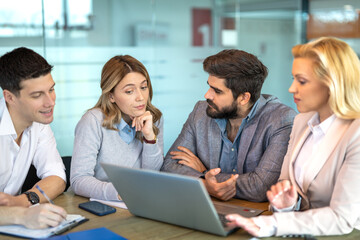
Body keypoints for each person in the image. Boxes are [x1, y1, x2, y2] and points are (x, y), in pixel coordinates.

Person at [226, 37, 360, 237]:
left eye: (302, 81)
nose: (292, 89)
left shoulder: (355, 133)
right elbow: (287, 190)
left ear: (332, 84)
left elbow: (342, 218)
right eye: (293, 79)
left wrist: (271, 224)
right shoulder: (301, 122)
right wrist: (285, 205)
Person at [161, 49, 297, 201]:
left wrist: (206, 173)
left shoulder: (281, 120)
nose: (207, 95)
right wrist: (206, 185)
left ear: (244, 98)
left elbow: (259, 187)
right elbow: (169, 166)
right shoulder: (201, 112)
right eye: (209, 86)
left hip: (256, 216)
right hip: (207, 207)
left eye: (217, 91)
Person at [70, 55, 163, 201]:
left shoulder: (153, 119)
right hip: (97, 203)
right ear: (111, 96)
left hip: (136, 202)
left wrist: (149, 137)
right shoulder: (93, 121)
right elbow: (79, 180)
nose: (141, 97)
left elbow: (151, 177)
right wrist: (122, 192)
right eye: (129, 91)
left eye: (144, 87)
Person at [0, 47, 67, 227]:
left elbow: (57, 177)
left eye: (51, 90)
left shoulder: (38, 123)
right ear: (9, 97)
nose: (50, 102)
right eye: (37, 95)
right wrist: (19, 216)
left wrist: (21, 201)